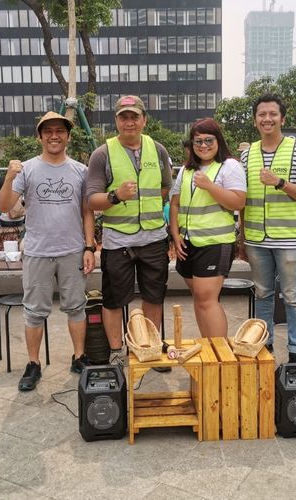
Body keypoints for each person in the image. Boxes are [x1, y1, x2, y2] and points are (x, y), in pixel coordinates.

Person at [0, 111, 96, 391]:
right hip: (38, 252)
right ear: (40, 136)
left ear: (67, 136)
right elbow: (5, 207)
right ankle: (33, 364)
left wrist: (89, 246)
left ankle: (79, 357)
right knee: (34, 311)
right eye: (48, 131)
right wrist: (8, 177)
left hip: (72, 250)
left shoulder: (80, 170)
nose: (54, 136)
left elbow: (87, 211)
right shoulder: (25, 169)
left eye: (60, 131)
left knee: (76, 306)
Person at [87, 96, 172, 367]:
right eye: (123, 117)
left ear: (144, 120)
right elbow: (92, 200)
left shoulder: (158, 150)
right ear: (116, 122)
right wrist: (116, 196)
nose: (129, 122)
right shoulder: (102, 153)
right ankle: (115, 351)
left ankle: (150, 347)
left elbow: (165, 189)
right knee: (113, 299)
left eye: (135, 116)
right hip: (118, 241)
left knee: (153, 296)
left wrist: (146, 207)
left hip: (154, 237)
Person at [241, 94, 296, 362]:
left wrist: (280, 183)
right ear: (255, 120)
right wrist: (242, 238)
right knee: (262, 293)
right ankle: (265, 345)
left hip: (289, 239)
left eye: (273, 114)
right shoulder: (247, 153)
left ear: (282, 118)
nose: (267, 119)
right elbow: (242, 197)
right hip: (256, 239)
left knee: (293, 296)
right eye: (262, 114)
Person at [169, 118, 246, 338]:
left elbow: (238, 202)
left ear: (218, 140)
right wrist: (175, 234)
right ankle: (208, 349)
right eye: (198, 141)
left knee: (206, 299)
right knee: (200, 299)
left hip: (215, 243)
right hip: (188, 243)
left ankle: (220, 356)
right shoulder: (186, 170)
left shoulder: (229, 166)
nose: (203, 145)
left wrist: (210, 186)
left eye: (208, 140)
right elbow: (175, 203)